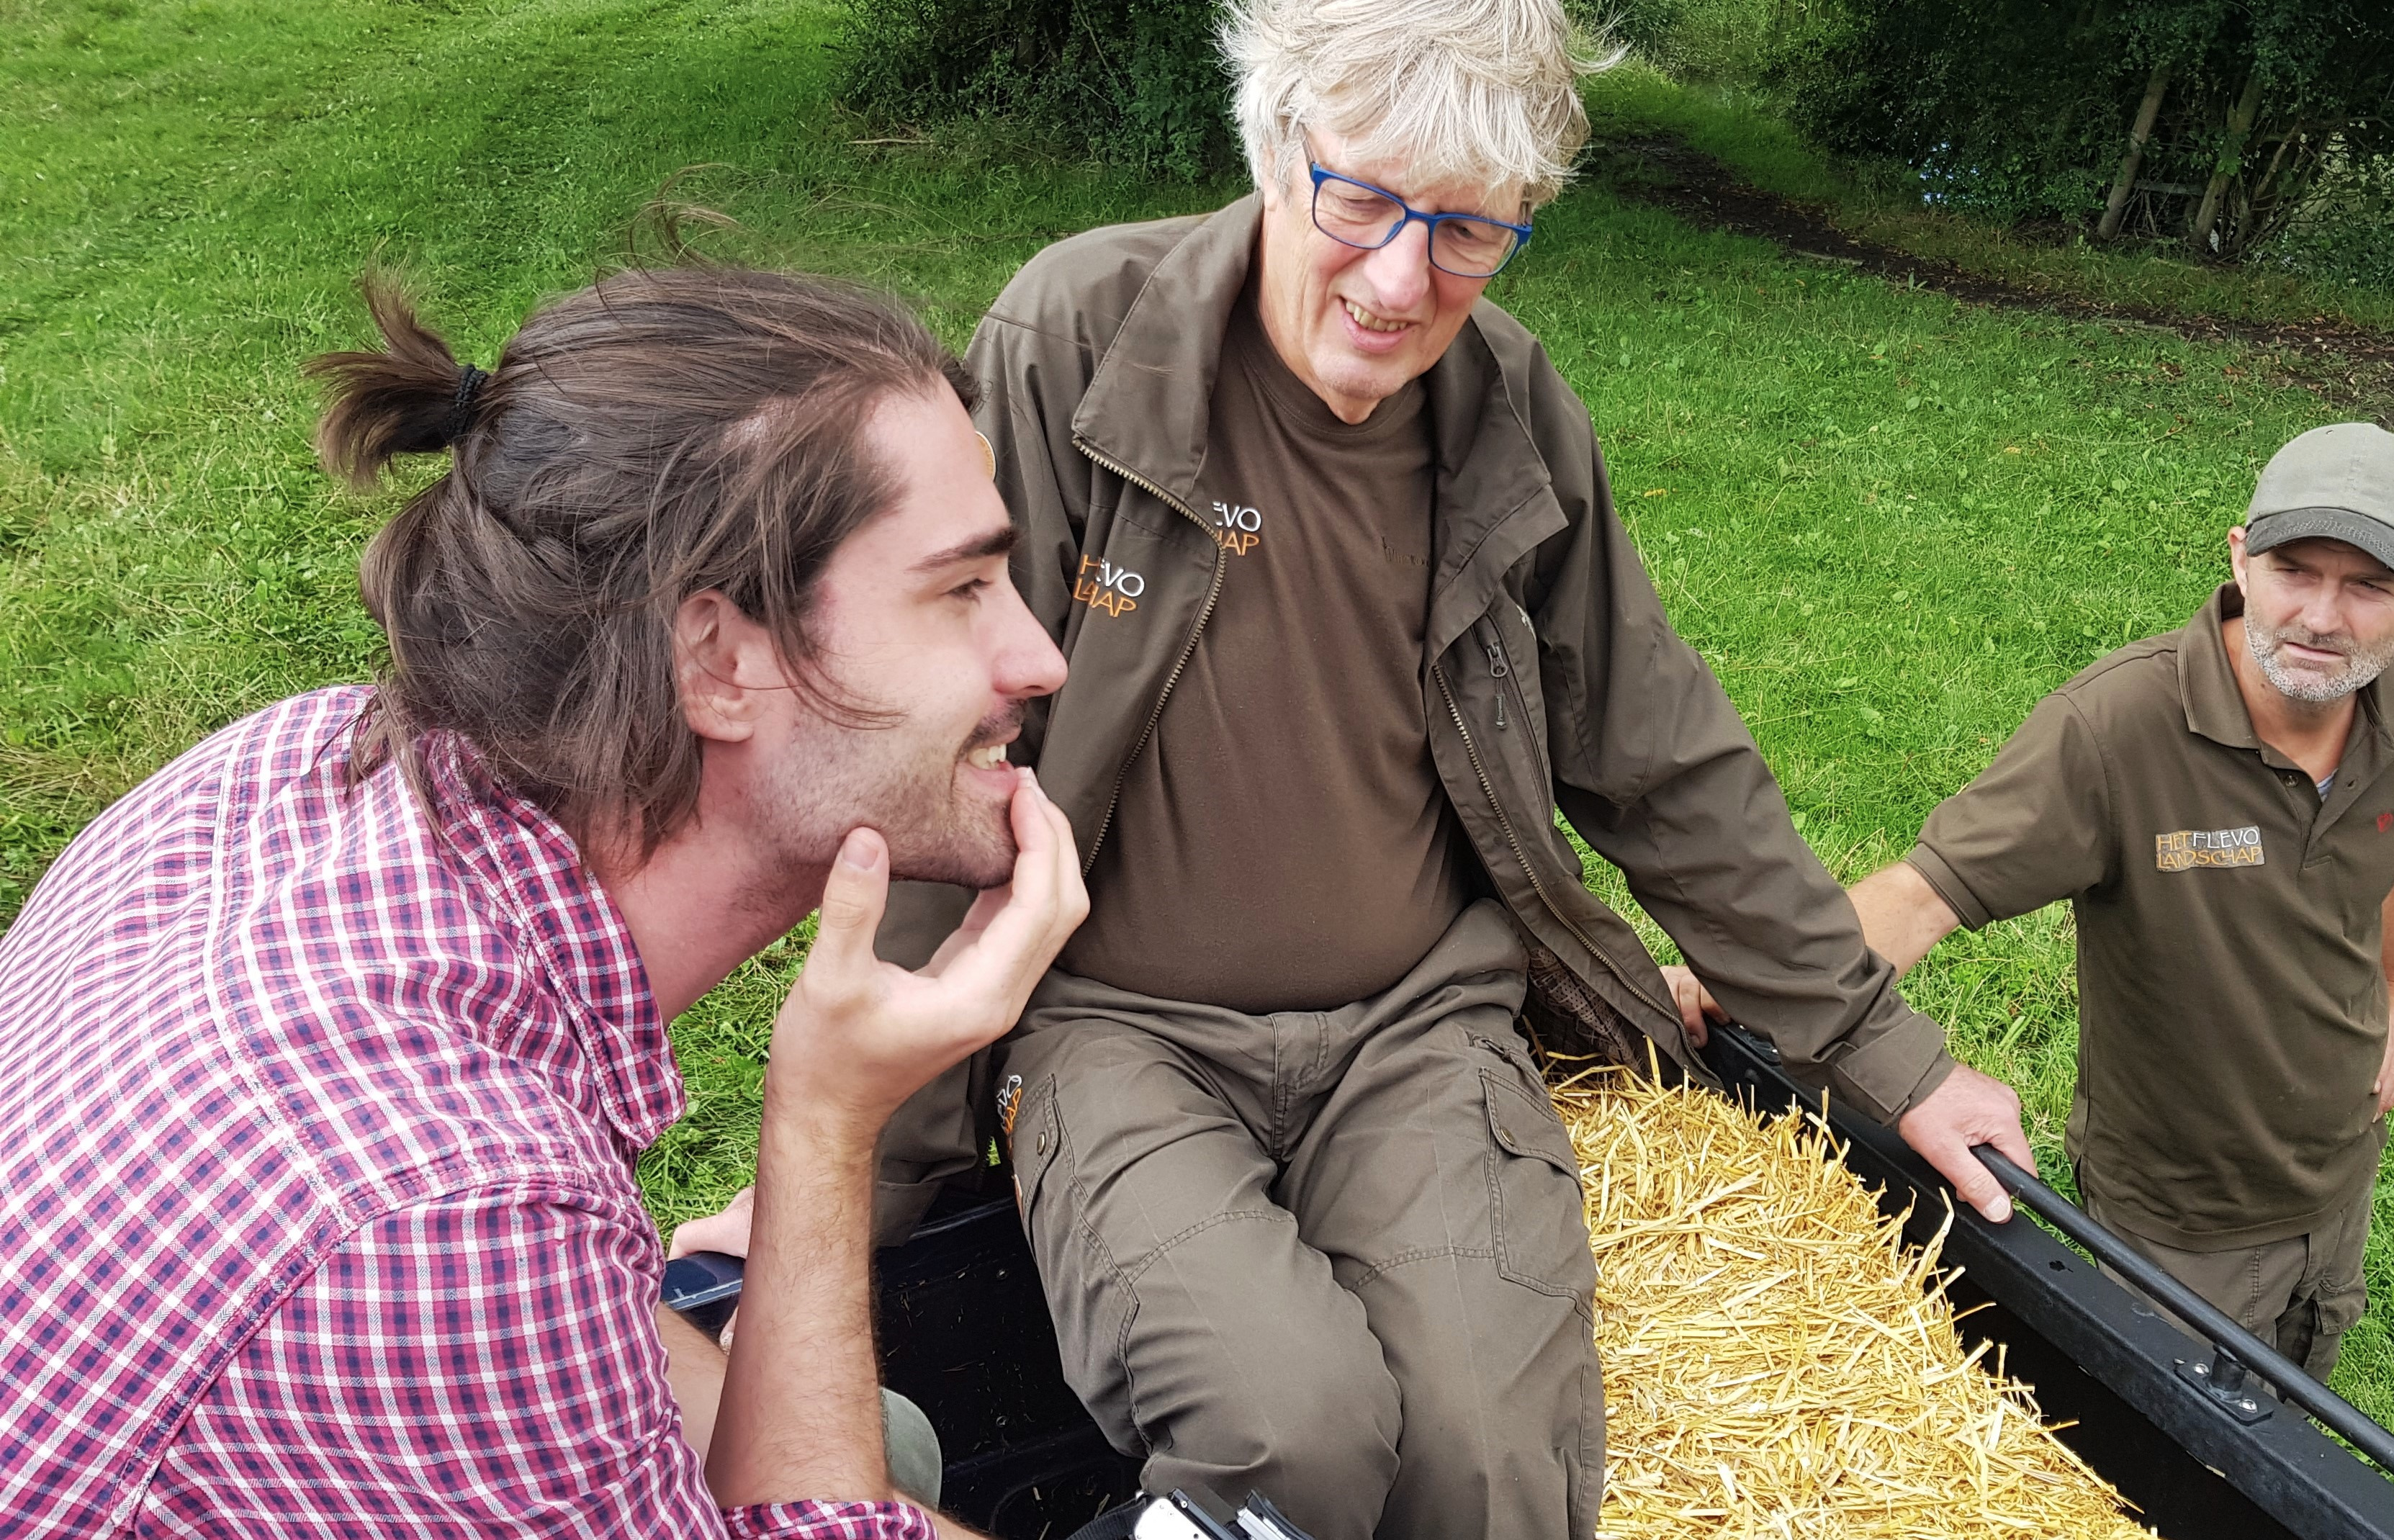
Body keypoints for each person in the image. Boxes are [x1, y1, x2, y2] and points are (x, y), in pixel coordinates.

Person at [708, 0, 2028, 1532]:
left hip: (1420, 1020)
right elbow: (950, 751)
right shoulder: (1076, 343)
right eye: (1364, 202)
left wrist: (1895, 1063)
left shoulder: (1511, 414)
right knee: (1292, 1429)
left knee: (1492, 1465)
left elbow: (1658, 754)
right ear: (1278, 153)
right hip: (1124, 1024)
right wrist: (848, 1188)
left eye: (1471, 233)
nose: (1405, 282)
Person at [0, 266, 1088, 1536]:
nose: (1039, 657)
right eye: (961, 590)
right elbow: (462, 1256)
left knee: (878, 1435)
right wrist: (824, 1124)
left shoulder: (296, 761)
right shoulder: (445, 1216)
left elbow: (585, 1323)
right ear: (719, 661)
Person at [1673, 422, 2394, 1382]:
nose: (2320, 617)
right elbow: (1924, 894)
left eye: (2369, 587)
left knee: (2305, 1387)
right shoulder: (2113, 733)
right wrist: (1747, 981)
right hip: (2179, 1221)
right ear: (2239, 557)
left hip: (2342, 1165)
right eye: (2294, 569)